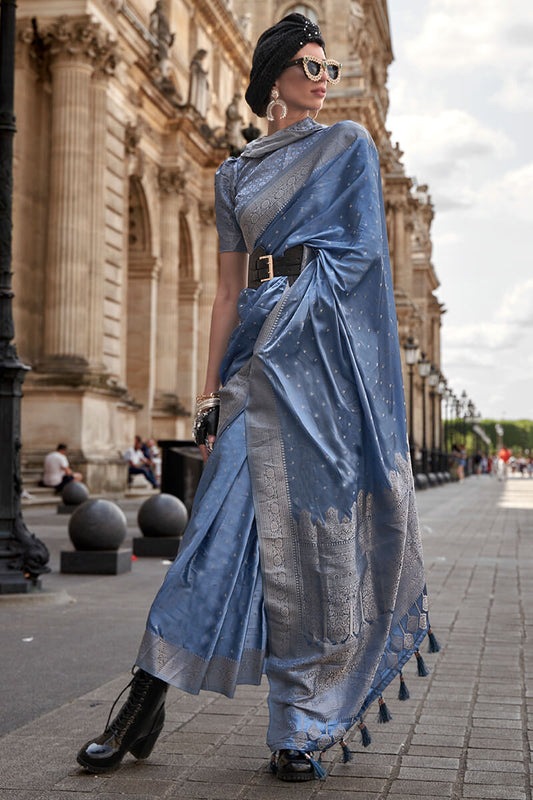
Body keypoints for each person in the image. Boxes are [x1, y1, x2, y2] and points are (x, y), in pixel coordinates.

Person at [77, 14, 434, 782]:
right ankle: (143, 700)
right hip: (258, 364)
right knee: (207, 535)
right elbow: (226, 293)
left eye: (327, 67)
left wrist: (311, 313)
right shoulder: (233, 175)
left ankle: (298, 728)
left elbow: (364, 261)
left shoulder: (347, 146)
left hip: (323, 369)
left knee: (314, 546)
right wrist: (210, 393)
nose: (321, 78)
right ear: (272, 76)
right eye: (308, 66)